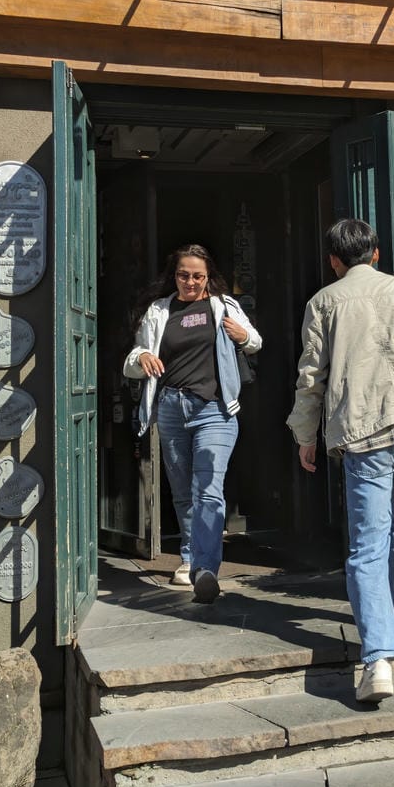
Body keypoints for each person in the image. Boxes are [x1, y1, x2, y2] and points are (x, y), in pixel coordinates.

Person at [286, 218, 394, 705]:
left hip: (363, 428)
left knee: (367, 544)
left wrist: (306, 434)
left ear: (333, 260)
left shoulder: (324, 301)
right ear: (377, 253)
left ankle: (379, 658)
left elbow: (311, 377)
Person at [124, 243, 262, 604]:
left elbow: (255, 342)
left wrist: (242, 336)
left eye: (197, 276)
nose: (190, 282)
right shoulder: (160, 309)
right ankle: (188, 556)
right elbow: (133, 358)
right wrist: (143, 357)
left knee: (208, 489)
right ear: (175, 275)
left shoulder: (223, 305)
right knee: (183, 491)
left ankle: (205, 569)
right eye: (184, 275)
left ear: (207, 277)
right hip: (171, 407)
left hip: (214, 410)